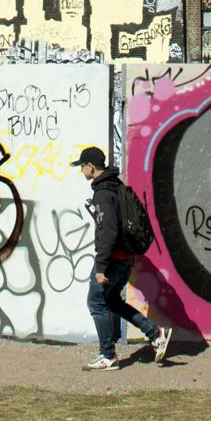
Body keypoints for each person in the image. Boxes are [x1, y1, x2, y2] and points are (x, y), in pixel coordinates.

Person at [73, 146, 171, 371]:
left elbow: (107, 232)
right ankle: (154, 333)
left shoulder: (103, 193)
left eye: (82, 167)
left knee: (96, 303)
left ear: (90, 166)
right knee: (113, 301)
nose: (81, 171)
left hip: (113, 259)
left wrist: (101, 266)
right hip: (126, 258)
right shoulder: (116, 186)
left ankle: (108, 355)